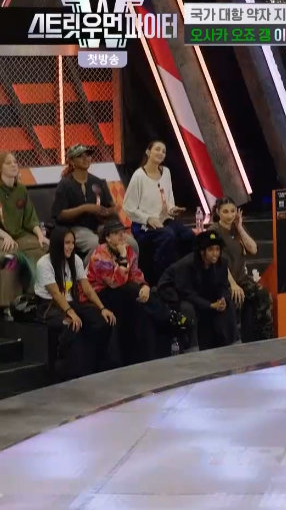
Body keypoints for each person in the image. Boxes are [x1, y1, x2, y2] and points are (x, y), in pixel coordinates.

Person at [85, 221, 186, 365]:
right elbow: (114, 282)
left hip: (123, 292)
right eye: (116, 234)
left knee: (142, 304)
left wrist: (144, 286)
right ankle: (169, 316)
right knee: (132, 290)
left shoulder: (128, 249)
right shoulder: (99, 255)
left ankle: (148, 358)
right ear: (107, 238)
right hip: (101, 294)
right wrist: (123, 257)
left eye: (123, 233)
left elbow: (135, 273)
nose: (122, 236)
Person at [34, 227, 115, 379]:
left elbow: (87, 289)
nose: (71, 246)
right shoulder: (44, 263)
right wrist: (70, 313)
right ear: (58, 243)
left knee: (102, 321)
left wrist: (102, 308)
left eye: (72, 243)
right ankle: (65, 371)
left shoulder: (75, 259)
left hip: (71, 303)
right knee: (71, 324)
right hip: (50, 306)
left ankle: (96, 365)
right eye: (67, 243)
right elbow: (56, 294)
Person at [122, 140, 195, 281]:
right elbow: (128, 207)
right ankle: (163, 279)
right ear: (148, 152)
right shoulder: (139, 176)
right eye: (157, 149)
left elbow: (169, 198)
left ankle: (186, 276)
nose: (161, 153)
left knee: (188, 235)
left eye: (164, 151)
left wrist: (172, 209)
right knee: (168, 236)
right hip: (144, 225)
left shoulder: (166, 172)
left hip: (164, 221)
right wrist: (148, 218)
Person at [51, 144, 138, 256]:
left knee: (132, 243)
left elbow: (110, 206)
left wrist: (110, 211)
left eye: (88, 155)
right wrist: (85, 208)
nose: (85, 159)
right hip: (75, 228)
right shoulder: (65, 184)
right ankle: (89, 267)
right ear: (72, 161)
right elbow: (59, 215)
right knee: (95, 244)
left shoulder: (97, 182)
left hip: (100, 226)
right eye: (80, 156)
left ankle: (128, 266)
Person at [156, 230, 236, 351]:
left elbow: (224, 286)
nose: (215, 253)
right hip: (174, 292)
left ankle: (232, 345)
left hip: (198, 292)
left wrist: (223, 300)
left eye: (217, 249)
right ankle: (192, 348)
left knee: (228, 306)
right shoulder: (187, 265)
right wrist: (209, 305)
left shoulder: (222, 263)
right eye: (211, 250)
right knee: (188, 309)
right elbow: (186, 293)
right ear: (202, 251)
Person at [209, 198, 273, 342]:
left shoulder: (237, 228)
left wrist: (240, 227)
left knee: (263, 295)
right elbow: (217, 261)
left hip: (242, 279)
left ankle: (264, 338)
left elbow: (253, 249)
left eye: (233, 211)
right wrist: (232, 284)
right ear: (218, 212)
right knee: (235, 300)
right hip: (225, 280)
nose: (230, 215)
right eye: (225, 212)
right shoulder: (214, 230)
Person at [0, 152, 48, 309]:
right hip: (2, 236)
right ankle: (8, 305)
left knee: (41, 248)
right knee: (11, 257)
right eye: (8, 163)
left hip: (20, 235)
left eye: (15, 162)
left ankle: (39, 296)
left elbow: (30, 217)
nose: (14, 165)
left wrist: (40, 235)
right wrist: (5, 235)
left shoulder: (21, 190)